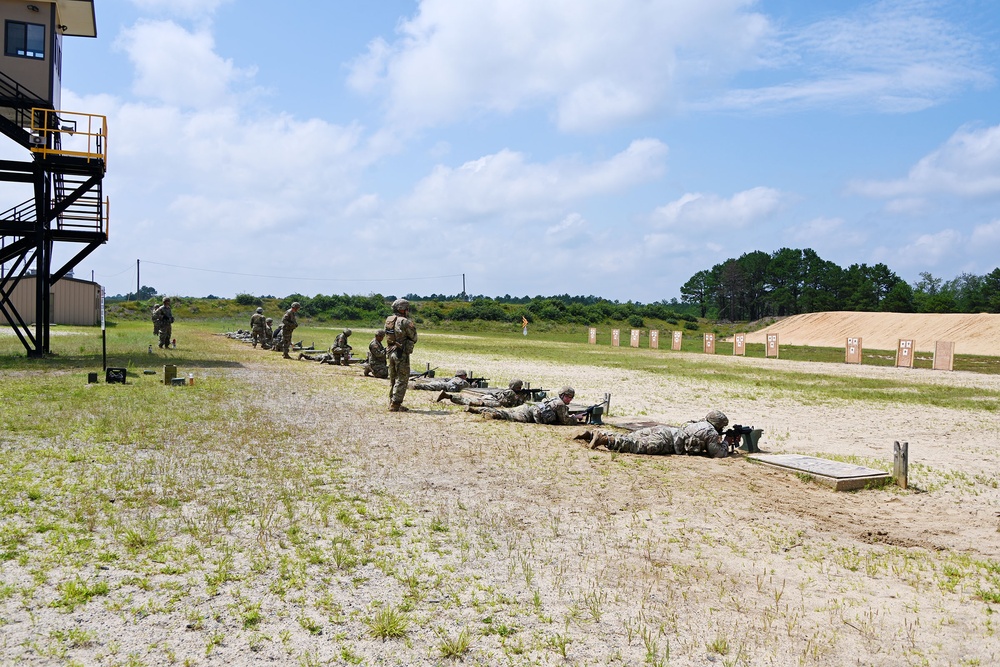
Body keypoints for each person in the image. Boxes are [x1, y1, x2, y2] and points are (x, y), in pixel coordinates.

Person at [584, 410, 730, 458]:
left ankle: (592, 435)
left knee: (631, 437)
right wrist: (727, 441)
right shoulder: (710, 431)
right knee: (636, 445)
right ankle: (604, 440)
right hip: (668, 442)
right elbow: (717, 454)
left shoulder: (698, 423)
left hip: (665, 430)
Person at [471, 386, 584, 425]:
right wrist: (575, 418)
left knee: (509, 411)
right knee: (507, 415)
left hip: (530, 408)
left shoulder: (556, 399)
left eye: (571, 397)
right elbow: (565, 421)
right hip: (530, 415)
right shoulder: (560, 404)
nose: (569, 399)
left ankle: (476, 409)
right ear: (562, 395)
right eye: (568, 397)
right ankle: (491, 414)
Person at [384, 298, 418, 412]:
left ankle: (392, 401)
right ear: (403, 309)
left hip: (391, 351)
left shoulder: (389, 320)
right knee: (402, 379)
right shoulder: (405, 321)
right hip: (401, 353)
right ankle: (395, 404)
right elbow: (414, 337)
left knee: (393, 378)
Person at [438, 378, 528, 408]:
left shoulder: (507, 391)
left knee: (470, 400)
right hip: (494, 401)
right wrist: (523, 397)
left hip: (490, 397)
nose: (520, 389)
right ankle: (448, 396)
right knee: (470, 402)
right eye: (519, 387)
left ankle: (449, 396)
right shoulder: (511, 393)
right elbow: (514, 404)